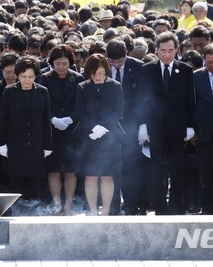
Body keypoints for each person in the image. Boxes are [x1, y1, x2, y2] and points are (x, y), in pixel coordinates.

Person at [137, 31, 195, 215]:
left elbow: (190, 99)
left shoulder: (185, 70)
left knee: (177, 168)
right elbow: (142, 100)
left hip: (177, 127)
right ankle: (160, 206)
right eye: (163, 50)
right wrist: (143, 125)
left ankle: (177, 206)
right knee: (156, 169)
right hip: (155, 127)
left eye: (171, 50)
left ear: (176, 50)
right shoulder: (147, 69)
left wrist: (191, 125)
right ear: (157, 50)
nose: (167, 54)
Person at [0, 55, 52, 212]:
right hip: (16, 145)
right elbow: (3, 120)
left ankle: (33, 217)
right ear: (18, 75)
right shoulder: (9, 92)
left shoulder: (43, 92)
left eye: (30, 76)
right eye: (23, 76)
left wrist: (47, 145)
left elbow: (46, 119)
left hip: (36, 145)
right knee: (16, 185)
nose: (27, 80)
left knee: (35, 187)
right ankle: (17, 215)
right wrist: (3, 143)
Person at [72, 54, 123, 216]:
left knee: (108, 176)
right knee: (91, 175)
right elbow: (80, 112)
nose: (98, 77)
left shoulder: (115, 86)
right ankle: (93, 210)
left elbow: (118, 111)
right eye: (95, 74)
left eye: (101, 73)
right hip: (89, 137)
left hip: (110, 137)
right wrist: (93, 127)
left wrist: (104, 127)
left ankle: (106, 210)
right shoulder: (82, 87)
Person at [39, 45, 84, 216]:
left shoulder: (78, 78)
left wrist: (71, 118)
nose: (61, 67)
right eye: (57, 63)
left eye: (64, 63)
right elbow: (43, 102)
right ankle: (57, 205)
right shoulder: (45, 78)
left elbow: (80, 103)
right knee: (54, 169)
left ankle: (68, 205)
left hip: (72, 130)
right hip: (52, 129)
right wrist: (53, 119)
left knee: (71, 169)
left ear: (70, 63)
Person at [105, 39, 144, 215]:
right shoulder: (103, 67)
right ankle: (112, 204)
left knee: (131, 166)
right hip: (109, 124)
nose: (117, 64)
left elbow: (143, 98)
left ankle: (131, 204)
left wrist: (142, 124)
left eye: (120, 61)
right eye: (113, 62)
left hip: (132, 123)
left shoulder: (138, 67)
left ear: (126, 54)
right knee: (111, 166)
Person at [193, 43, 213, 215]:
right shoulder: (196, 77)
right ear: (204, 60)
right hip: (204, 132)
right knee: (206, 171)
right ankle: (207, 206)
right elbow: (191, 104)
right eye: (209, 62)